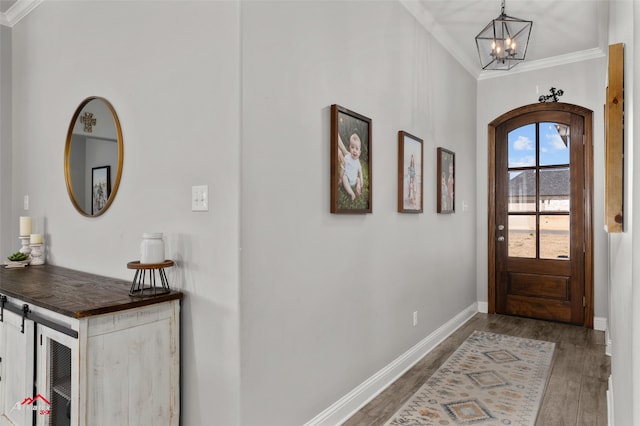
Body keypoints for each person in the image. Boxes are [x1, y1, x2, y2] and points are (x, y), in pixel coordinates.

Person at [338, 132, 364, 201]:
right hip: (348, 179)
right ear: (349, 147)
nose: (354, 151)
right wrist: (340, 178)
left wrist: (361, 180)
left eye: (357, 148)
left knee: (358, 179)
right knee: (344, 177)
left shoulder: (358, 161)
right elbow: (343, 168)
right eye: (352, 147)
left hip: (354, 180)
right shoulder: (347, 157)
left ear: (359, 152)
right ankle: (351, 193)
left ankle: (358, 186)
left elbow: (360, 171)